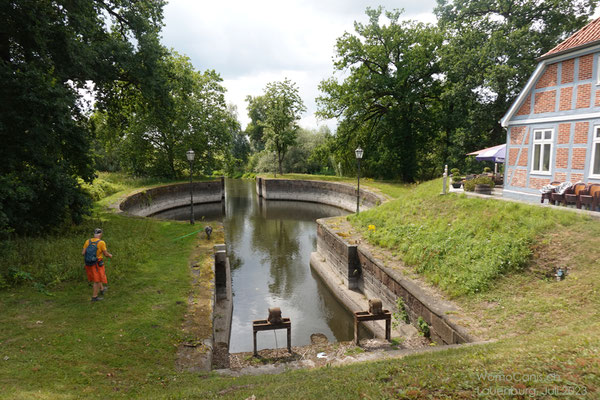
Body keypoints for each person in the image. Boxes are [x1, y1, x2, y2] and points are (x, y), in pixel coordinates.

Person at [83, 228, 113, 302]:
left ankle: (102, 289)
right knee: (97, 280)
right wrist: (110, 255)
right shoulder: (101, 242)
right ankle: (94, 297)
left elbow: (83, 253)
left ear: (94, 234)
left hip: (88, 263)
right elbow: (105, 254)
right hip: (97, 263)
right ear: (101, 234)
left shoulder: (88, 241)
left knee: (97, 277)